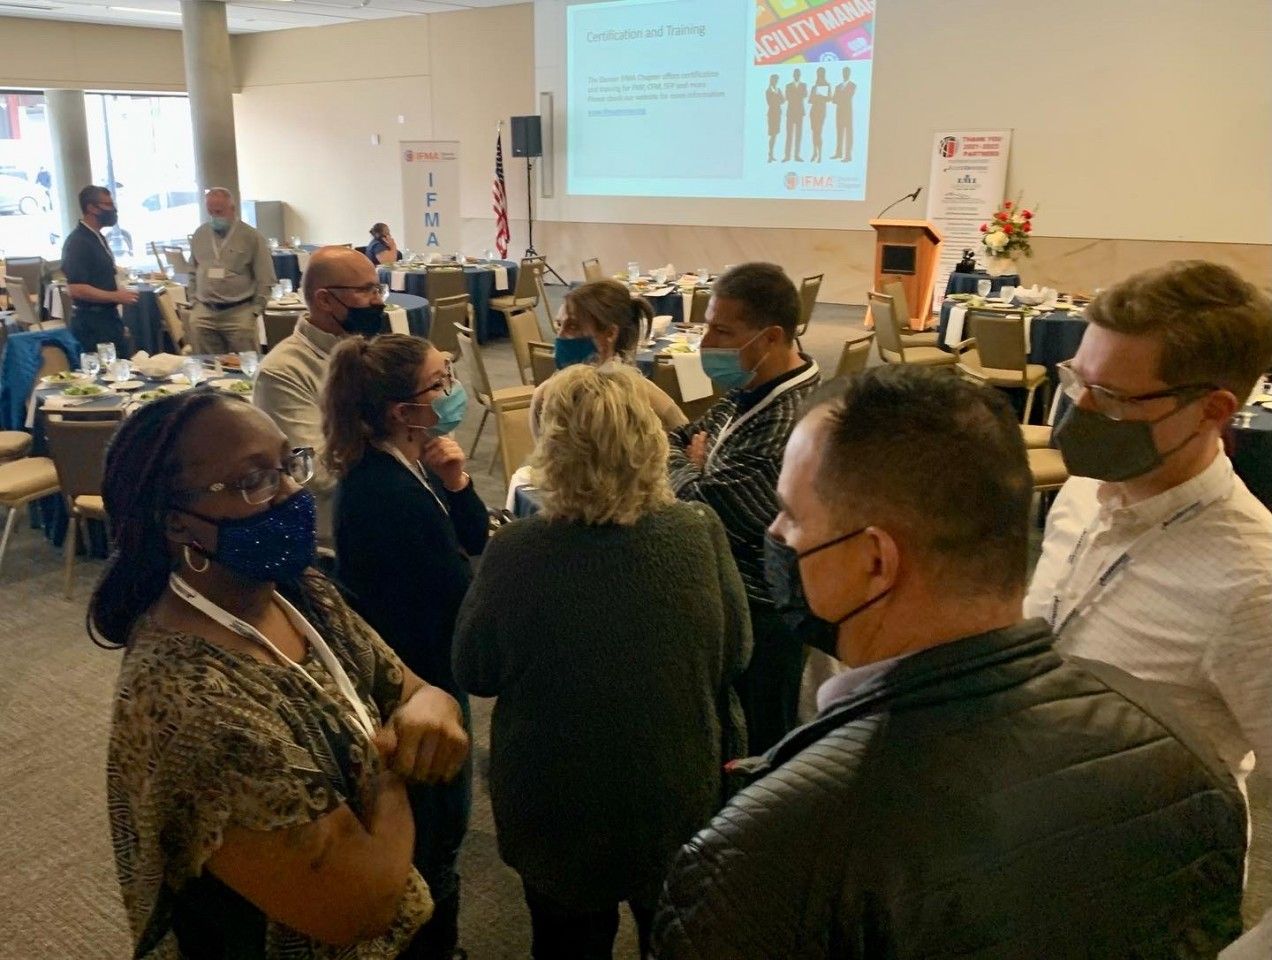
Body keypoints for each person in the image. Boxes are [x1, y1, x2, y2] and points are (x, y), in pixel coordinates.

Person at [653, 366, 1247, 959]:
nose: (776, 532)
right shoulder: (1183, 753)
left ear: (875, 563)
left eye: (792, 516)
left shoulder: (764, 849)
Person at [93, 389, 470, 959]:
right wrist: (395, 761)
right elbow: (360, 905)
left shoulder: (297, 591)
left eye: (287, 464)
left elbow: (416, 691)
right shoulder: (191, 706)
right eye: (253, 481)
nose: (293, 493)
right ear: (177, 523)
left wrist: (427, 705)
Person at [454, 363, 752, 960]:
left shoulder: (517, 550)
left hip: (557, 797)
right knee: (673, 937)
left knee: (566, 945)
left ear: (552, 450)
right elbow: (737, 653)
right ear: (648, 442)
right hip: (673, 783)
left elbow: (474, 671)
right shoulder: (698, 529)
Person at [1025, 260, 1272, 925]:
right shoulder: (1082, 492)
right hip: (1026, 840)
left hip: (1136, 888)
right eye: (1077, 378)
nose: (1081, 408)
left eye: (1112, 395)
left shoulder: (1254, 584)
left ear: (1213, 411)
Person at [324, 333, 486, 960]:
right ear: (403, 411)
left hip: (425, 668)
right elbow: (460, 595)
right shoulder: (383, 492)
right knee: (435, 841)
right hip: (417, 684)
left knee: (441, 832)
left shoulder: (413, 464)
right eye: (440, 383)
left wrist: (458, 478)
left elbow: (471, 536)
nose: (452, 393)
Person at [668, 262, 820, 754]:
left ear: (771, 337)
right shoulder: (752, 389)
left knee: (756, 748)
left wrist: (694, 470)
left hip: (765, 614)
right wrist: (692, 462)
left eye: (722, 330)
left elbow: (707, 507)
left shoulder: (788, 422)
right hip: (729, 596)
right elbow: (676, 438)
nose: (705, 340)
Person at [254, 245, 388, 549]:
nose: (378, 301)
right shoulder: (282, 372)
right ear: (325, 300)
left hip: (385, 513)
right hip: (334, 537)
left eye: (378, 289)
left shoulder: (372, 351)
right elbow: (314, 473)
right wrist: (393, 444)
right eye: (366, 291)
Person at [532, 279, 687, 438]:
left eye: (573, 326)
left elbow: (683, 444)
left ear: (610, 333)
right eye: (559, 325)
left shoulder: (647, 399)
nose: (560, 336)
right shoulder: (544, 398)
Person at [188, 187, 277, 354]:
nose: (215, 216)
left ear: (233, 209)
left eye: (219, 211)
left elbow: (265, 277)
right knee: (207, 368)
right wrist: (194, 301)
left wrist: (256, 310)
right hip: (204, 312)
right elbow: (192, 271)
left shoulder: (251, 236)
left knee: (245, 366)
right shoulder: (200, 234)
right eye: (211, 212)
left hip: (239, 312)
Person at [61, 184, 137, 355]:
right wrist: (115, 296)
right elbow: (76, 289)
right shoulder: (78, 242)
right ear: (91, 208)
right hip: (92, 324)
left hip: (107, 319)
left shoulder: (97, 236)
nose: (113, 209)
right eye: (108, 205)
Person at [831, 66, 856, 161]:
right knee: (839, 133)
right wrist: (839, 98)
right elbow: (834, 100)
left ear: (849, 74)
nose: (845, 74)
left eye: (847, 72)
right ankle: (838, 153)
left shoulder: (853, 85)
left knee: (848, 134)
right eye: (844, 72)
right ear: (842, 73)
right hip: (839, 112)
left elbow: (848, 97)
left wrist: (838, 97)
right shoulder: (838, 86)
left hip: (847, 112)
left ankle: (848, 156)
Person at [782, 69, 807, 163]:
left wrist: (795, 95)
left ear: (800, 75)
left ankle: (797, 155)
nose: (797, 75)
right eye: (795, 74)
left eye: (798, 74)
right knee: (789, 135)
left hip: (800, 112)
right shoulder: (788, 86)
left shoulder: (804, 85)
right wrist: (797, 95)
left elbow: (805, 95)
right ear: (793, 75)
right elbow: (787, 97)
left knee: (798, 135)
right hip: (790, 112)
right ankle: (787, 156)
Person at [808, 67, 831, 163]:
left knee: (818, 133)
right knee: (814, 133)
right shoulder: (814, 86)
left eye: (820, 73)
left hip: (821, 112)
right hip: (813, 112)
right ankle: (814, 152)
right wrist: (815, 96)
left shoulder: (827, 86)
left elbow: (830, 99)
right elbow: (810, 100)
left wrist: (822, 97)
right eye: (818, 73)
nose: (819, 75)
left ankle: (820, 155)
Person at [764, 73, 783, 163]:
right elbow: (770, 103)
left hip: (777, 114)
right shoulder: (768, 91)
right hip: (772, 114)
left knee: (775, 135)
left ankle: (771, 154)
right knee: (772, 134)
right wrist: (777, 99)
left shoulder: (778, 90)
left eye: (776, 80)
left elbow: (783, 100)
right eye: (774, 80)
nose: (775, 82)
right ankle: (770, 154)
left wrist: (777, 99)